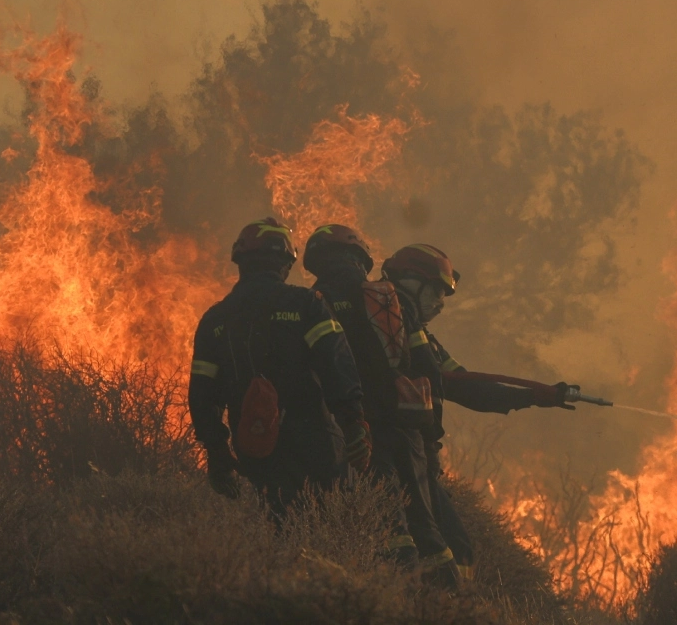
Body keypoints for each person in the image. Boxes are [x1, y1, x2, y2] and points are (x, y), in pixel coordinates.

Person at [381, 243, 576, 580]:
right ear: (412, 282)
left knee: (456, 551)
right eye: (436, 291)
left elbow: (466, 384)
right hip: (398, 456)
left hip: (416, 458)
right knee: (444, 554)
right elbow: (463, 386)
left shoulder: (419, 336)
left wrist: (536, 396)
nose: (440, 304)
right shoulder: (396, 330)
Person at [303, 225, 461, 589]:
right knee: (425, 524)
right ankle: (451, 601)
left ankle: (400, 597)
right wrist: (431, 439)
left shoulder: (313, 301)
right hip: (406, 430)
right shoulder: (390, 298)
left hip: (357, 429)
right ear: (361, 259)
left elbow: (314, 372)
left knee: (389, 521)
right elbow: (427, 370)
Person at [187, 218, 372, 514]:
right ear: (285, 262)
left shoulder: (215, 320)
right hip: (316, 443)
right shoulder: (305, 304)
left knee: (275, 528)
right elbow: (336, 363)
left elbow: (202, 395)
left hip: (254, 445)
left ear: (240, 262)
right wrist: (353, 422)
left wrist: (217, 451)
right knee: (330, 525)